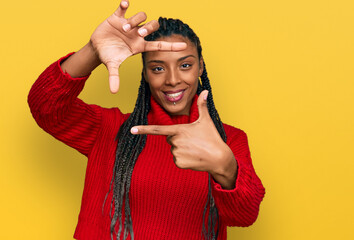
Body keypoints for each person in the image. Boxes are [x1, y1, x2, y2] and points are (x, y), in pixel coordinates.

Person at [28, 0, 265, 239]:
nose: (172, 79)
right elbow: (45, 106)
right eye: (158, 68)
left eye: (185, 65)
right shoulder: (110, 129)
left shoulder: (229, 140)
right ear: (145, 74)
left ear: (200, 67)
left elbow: (244, 216)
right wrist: (93, 50)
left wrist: (225, 167)